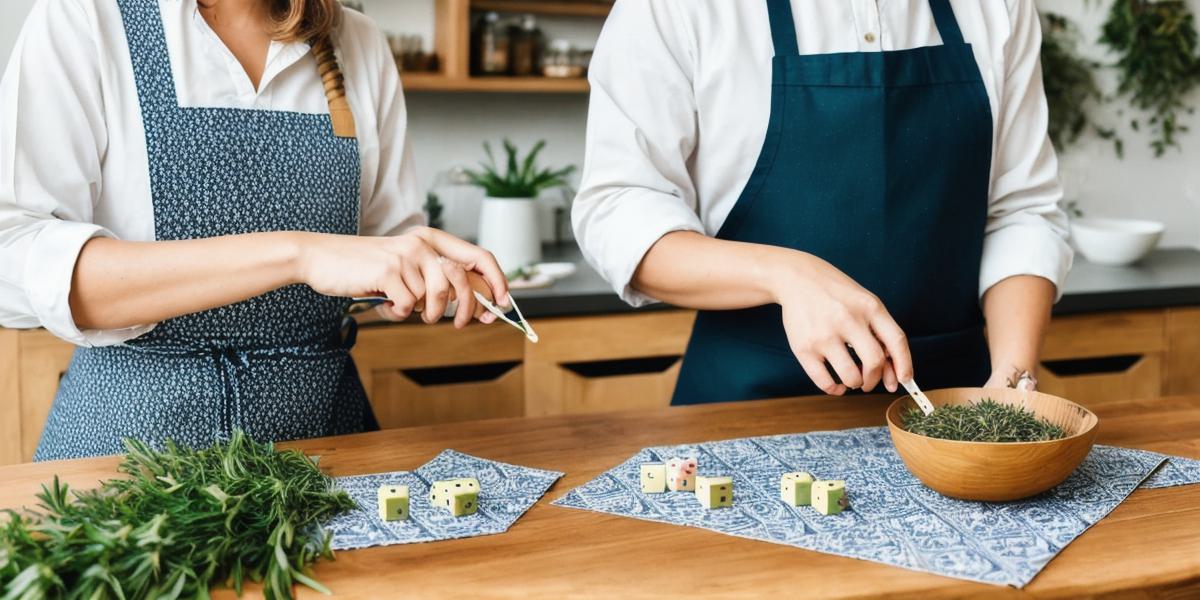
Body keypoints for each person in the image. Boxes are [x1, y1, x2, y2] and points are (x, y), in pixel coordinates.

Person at [0, 0, 508, 460]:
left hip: (324, 448)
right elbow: (13, 263)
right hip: (131, 455)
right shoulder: (88, 18)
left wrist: (423, 274)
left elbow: (384, 242)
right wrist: (298, 254)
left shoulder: (358, 41)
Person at [573, 0, 1072, 404]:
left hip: (954, 403)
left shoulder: (997, 7)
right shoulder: (676, 8)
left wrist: (1013, 381)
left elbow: (1021, 211)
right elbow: (617, 208)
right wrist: (785, 275)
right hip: (746, 408)